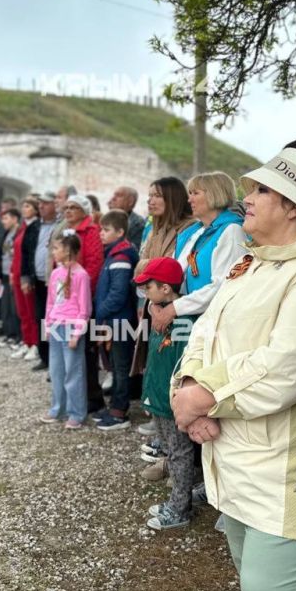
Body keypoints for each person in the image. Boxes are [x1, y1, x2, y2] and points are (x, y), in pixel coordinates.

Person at [170, 142, 296, 591]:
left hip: (283, 484)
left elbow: (286, 366)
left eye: (261, 190)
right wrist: (188, 389)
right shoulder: (249, 264)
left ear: (293, 207)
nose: (245, 198)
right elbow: (204, 336)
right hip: (234, 470)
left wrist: (201, 398)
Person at [134, 256, 200, 530]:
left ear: (165, 289)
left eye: (147, 287)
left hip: (173, 399)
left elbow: (183, 363)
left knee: (179, 452)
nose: (144, 293)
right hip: (159, 396)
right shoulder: (158, 311)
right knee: (171, 451)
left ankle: (180, 508)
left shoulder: (186, 319)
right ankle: (177, 500)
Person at [131, 177, 196, 438]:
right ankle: (160, 426)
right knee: (153, 364)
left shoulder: (188, 229)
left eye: (157, 195)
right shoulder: (156, 230)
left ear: (173, 198)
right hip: (152, 304)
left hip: (175, 309)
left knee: (171, 367)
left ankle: (170, 435)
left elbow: (170, 272)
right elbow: (143, 269)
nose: (151, 200)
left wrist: (149, 267)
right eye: (149, 195)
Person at [149, 172, 246, 335]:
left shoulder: (232, 231)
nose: (189, 200)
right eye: (190, 193)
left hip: (211, 326)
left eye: (195, 193)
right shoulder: (193, 232)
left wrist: (174, 308)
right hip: (187, 321)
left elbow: (223, 287)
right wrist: (156, 302)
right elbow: (169, 271)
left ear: (215, 194)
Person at [92, 210, 140, 431]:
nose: (101, 233)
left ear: (120, 232)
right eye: (101, 229)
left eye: (106, 229)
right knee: (113, 365)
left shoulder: (121, 257)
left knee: (120, 367)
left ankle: (120, 412)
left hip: (119, 322)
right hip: (111, 321)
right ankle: (114, 406)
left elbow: (118, 294)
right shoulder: (112, 253)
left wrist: (99, 311)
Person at [39, 233, 93, 429]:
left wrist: (77, 333)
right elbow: (50, 302)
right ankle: (57, 409)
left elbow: (84, 309)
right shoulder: (55, 273)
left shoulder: (81, 275)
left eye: (56, 248)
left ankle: (76, 413)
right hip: (55, 326)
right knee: (57, 370)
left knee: (73, 372)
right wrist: (47, 326)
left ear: (68, 251)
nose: (53, 252)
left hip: (71, 329)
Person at [62, 193, 105, 411]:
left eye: (73, 207)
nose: (68, 211)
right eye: (66, 207)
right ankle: (75, 394)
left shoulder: (91, 232)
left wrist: (81, 294)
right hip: (68, 299)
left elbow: (94, 265)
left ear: (84, 211)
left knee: (87, 349)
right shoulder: (66, 232)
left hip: (85, 298)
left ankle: (92, 398)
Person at [31, 192, 59, 370]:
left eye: (45, 203)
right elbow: (28, 250)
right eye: (39, 204)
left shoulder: (60, 225)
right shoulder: (34, 226)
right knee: (40, 317)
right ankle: (44, 356)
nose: (41, 206)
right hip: (38, 279)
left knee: (55, 318)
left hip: (55, 280)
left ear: (54, 205)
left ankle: (54, 357)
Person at [11, 197, 41, 359]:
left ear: (36, 209)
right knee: (22, 312)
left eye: (28, 206)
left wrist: (27, 276)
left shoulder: (36, 227)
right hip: (17, 274)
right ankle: (27, 341)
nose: (24, 209)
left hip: (27, 275)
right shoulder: (22, 227)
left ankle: (35, 344)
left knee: (31, 312)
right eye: (23, 206)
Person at [0, 207, 22, 346]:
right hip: (5, 274)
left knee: (15, 308)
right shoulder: (5, 233)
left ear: (15, 219)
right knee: (6, 307)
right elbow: (1, 254)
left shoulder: (19, 233)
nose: (3, 221)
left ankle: (19, 336)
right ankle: (9, 334)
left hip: (15, 275)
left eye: (6, 218)